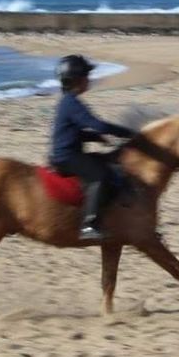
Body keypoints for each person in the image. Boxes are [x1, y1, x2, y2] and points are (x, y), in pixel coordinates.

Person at [49, 54, 136, 240]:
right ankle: (89, 225)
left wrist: (95, 137)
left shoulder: (67, 101)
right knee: (100, 176)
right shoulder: (72, 103)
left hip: (66, 154)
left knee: (106, 164)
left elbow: (73, 131)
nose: (89, 80)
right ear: (77, 80)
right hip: (67, 157)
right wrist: (128, 133)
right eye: (86, 76)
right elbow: (98, 124)